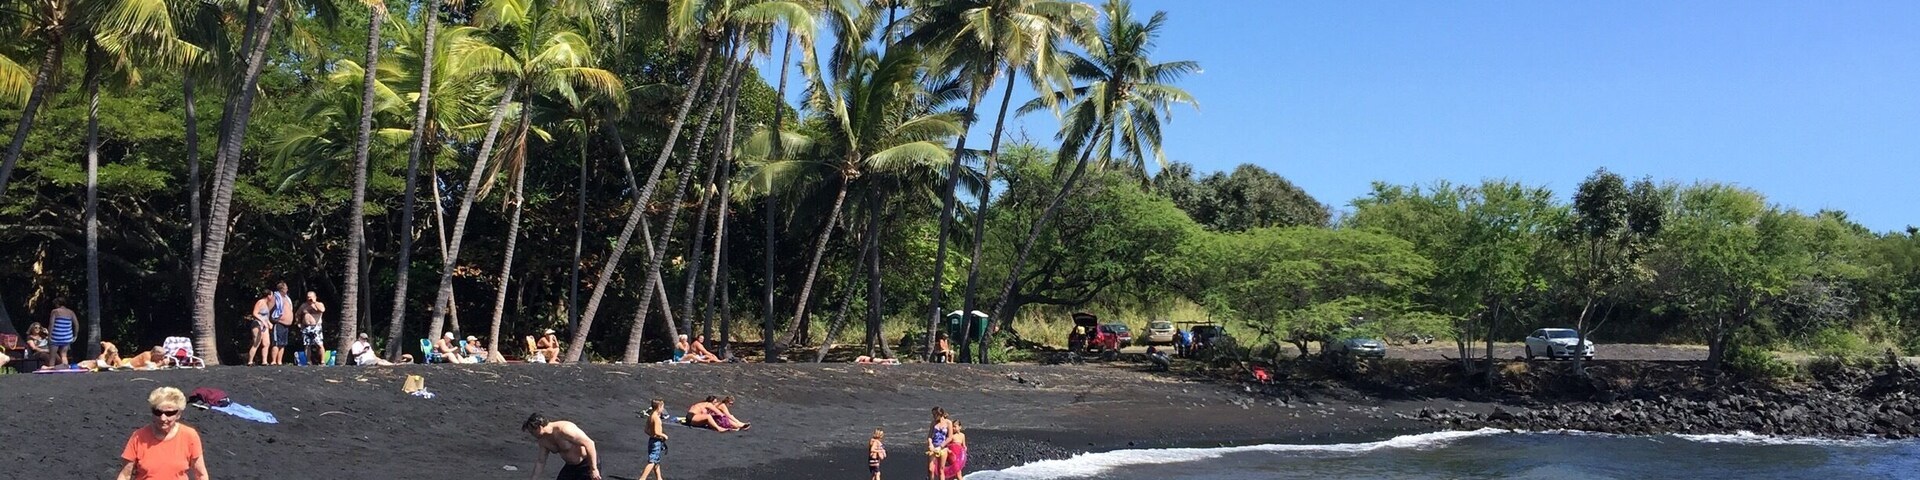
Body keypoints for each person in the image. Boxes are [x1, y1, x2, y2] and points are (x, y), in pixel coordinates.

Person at [116, 386, 208, 480]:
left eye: (169, 413)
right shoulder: (139, 437)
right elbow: (125, 475)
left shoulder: (189, 436)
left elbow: (201, 475)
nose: (163, 418)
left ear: (178, 414)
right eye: (158, 412)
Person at [523, 413, 602, 480]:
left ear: (539, 428)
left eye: (532, 432)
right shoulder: (543, 440)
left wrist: (593, 469)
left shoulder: (565, 429)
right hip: (570, 466)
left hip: (587, 464)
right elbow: (541, 462)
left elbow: (589, 443)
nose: (532, 435)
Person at [640, 399, 669, 480]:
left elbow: (646, 430)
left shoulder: (651, 416)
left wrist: (652, 435)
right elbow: (657, 432)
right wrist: (664, 435)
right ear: (659, 407)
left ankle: (659, 478)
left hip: (652, 440)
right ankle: (642, 478)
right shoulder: (656, 418)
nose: (663, 409)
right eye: (662, 407)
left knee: (656, 460)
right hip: (656, 442)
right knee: (652, 461)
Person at [269, 282, 294, 365]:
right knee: (276, 343)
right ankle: (273, 361)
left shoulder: (287, 298)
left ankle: (279, 361)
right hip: (279, 323)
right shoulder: (275, 298)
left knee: (283, 344)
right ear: (281, 289)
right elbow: (269, 309)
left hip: (286, 324)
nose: (287, 289)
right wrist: (270, 320)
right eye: (286, 288)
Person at [299, 291, 326, 366]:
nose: (309, 298)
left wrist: (314, 303)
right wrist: (299, 323)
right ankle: (308, 361)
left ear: (315, 297)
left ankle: (322, 361)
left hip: (316, 327)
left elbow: (322, 310)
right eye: (308, 297)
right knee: (307, 345)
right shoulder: (304, 305)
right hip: (306, 327)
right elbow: (298, 314)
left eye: (311, 297)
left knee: (319, 344)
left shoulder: (319, 304)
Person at [926, 407, 953, 480]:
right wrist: (930, 444)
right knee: (930, 469)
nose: (933, 416)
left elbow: (950, 437)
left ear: (940, 414)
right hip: (933, 447)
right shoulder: (933, 423)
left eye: (935, 414)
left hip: (943, 448)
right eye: (933, 414)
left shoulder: (948, 423)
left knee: (941, 469)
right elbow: (929, 436)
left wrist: (941, 446)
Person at [49, 297, 76, 368]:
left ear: (57, 304)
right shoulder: (71, 312)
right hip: (67, 337)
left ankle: (51, 368)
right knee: (64, 355)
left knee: (52, 356)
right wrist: (75, 335)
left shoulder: (55, 311)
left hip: (56, 336)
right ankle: (65, 368)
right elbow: (76, 324)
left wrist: (49, 336)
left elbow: (51, 324)